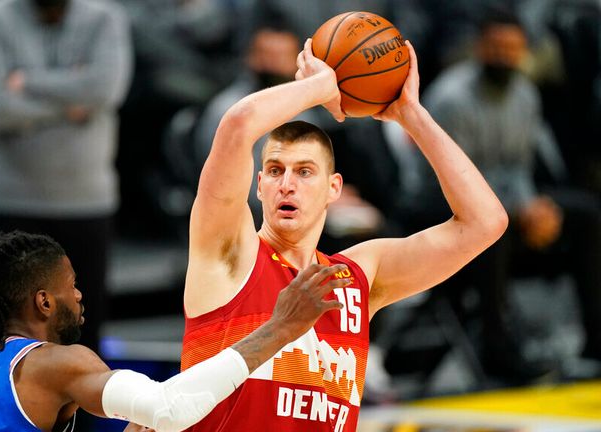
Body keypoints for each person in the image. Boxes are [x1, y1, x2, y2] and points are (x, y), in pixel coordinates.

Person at [180, 34, 507, 432]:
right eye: (276, 171)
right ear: (260, 184)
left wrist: (412, 114)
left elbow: (485, 222)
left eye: (304, 172)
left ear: (333, 188)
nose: (287, 184)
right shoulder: (228, 253)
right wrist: (321, 86)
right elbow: (237, 125)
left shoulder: (358, 275)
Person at [0, 230, 348, 431]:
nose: (81, 296)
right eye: (72, 286)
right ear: (44, 303)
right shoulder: (52, 364)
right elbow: (171, 409)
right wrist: (281, 327)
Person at [404, 6, 601, 378]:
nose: (504, 55)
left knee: (586, 214)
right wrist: (518, 208)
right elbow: (451, 177)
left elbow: (519, 168)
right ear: (479, 48)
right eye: (496, 47)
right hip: (435, 206)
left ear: (524, 51)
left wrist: (534, 207)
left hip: (502, 203)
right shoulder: (452, 98)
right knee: (491, 229)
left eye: (512, 48)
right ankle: (497, 350)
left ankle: (596, 340)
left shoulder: (526, 94)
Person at [0, 0, 131, 388]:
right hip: (7, 203)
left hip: (84, 203)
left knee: (84, 344)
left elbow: (105, 88)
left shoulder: (104, 18)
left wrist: (26, 82)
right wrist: (71, 101)